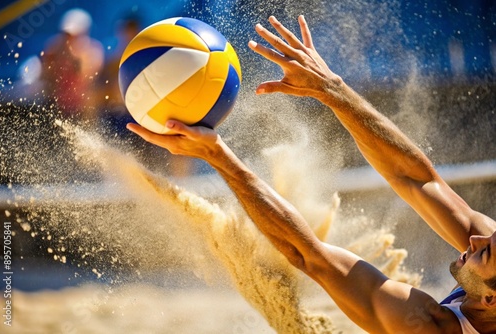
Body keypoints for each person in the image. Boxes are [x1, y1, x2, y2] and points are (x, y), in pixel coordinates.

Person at [126, 15, 496, 334]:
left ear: (491, 299)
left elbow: (308, 256)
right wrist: (332, 89)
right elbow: (418, 179)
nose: (477, 238)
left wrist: (218, 156)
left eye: (485, 253)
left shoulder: (423, 324)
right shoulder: (488, 253)